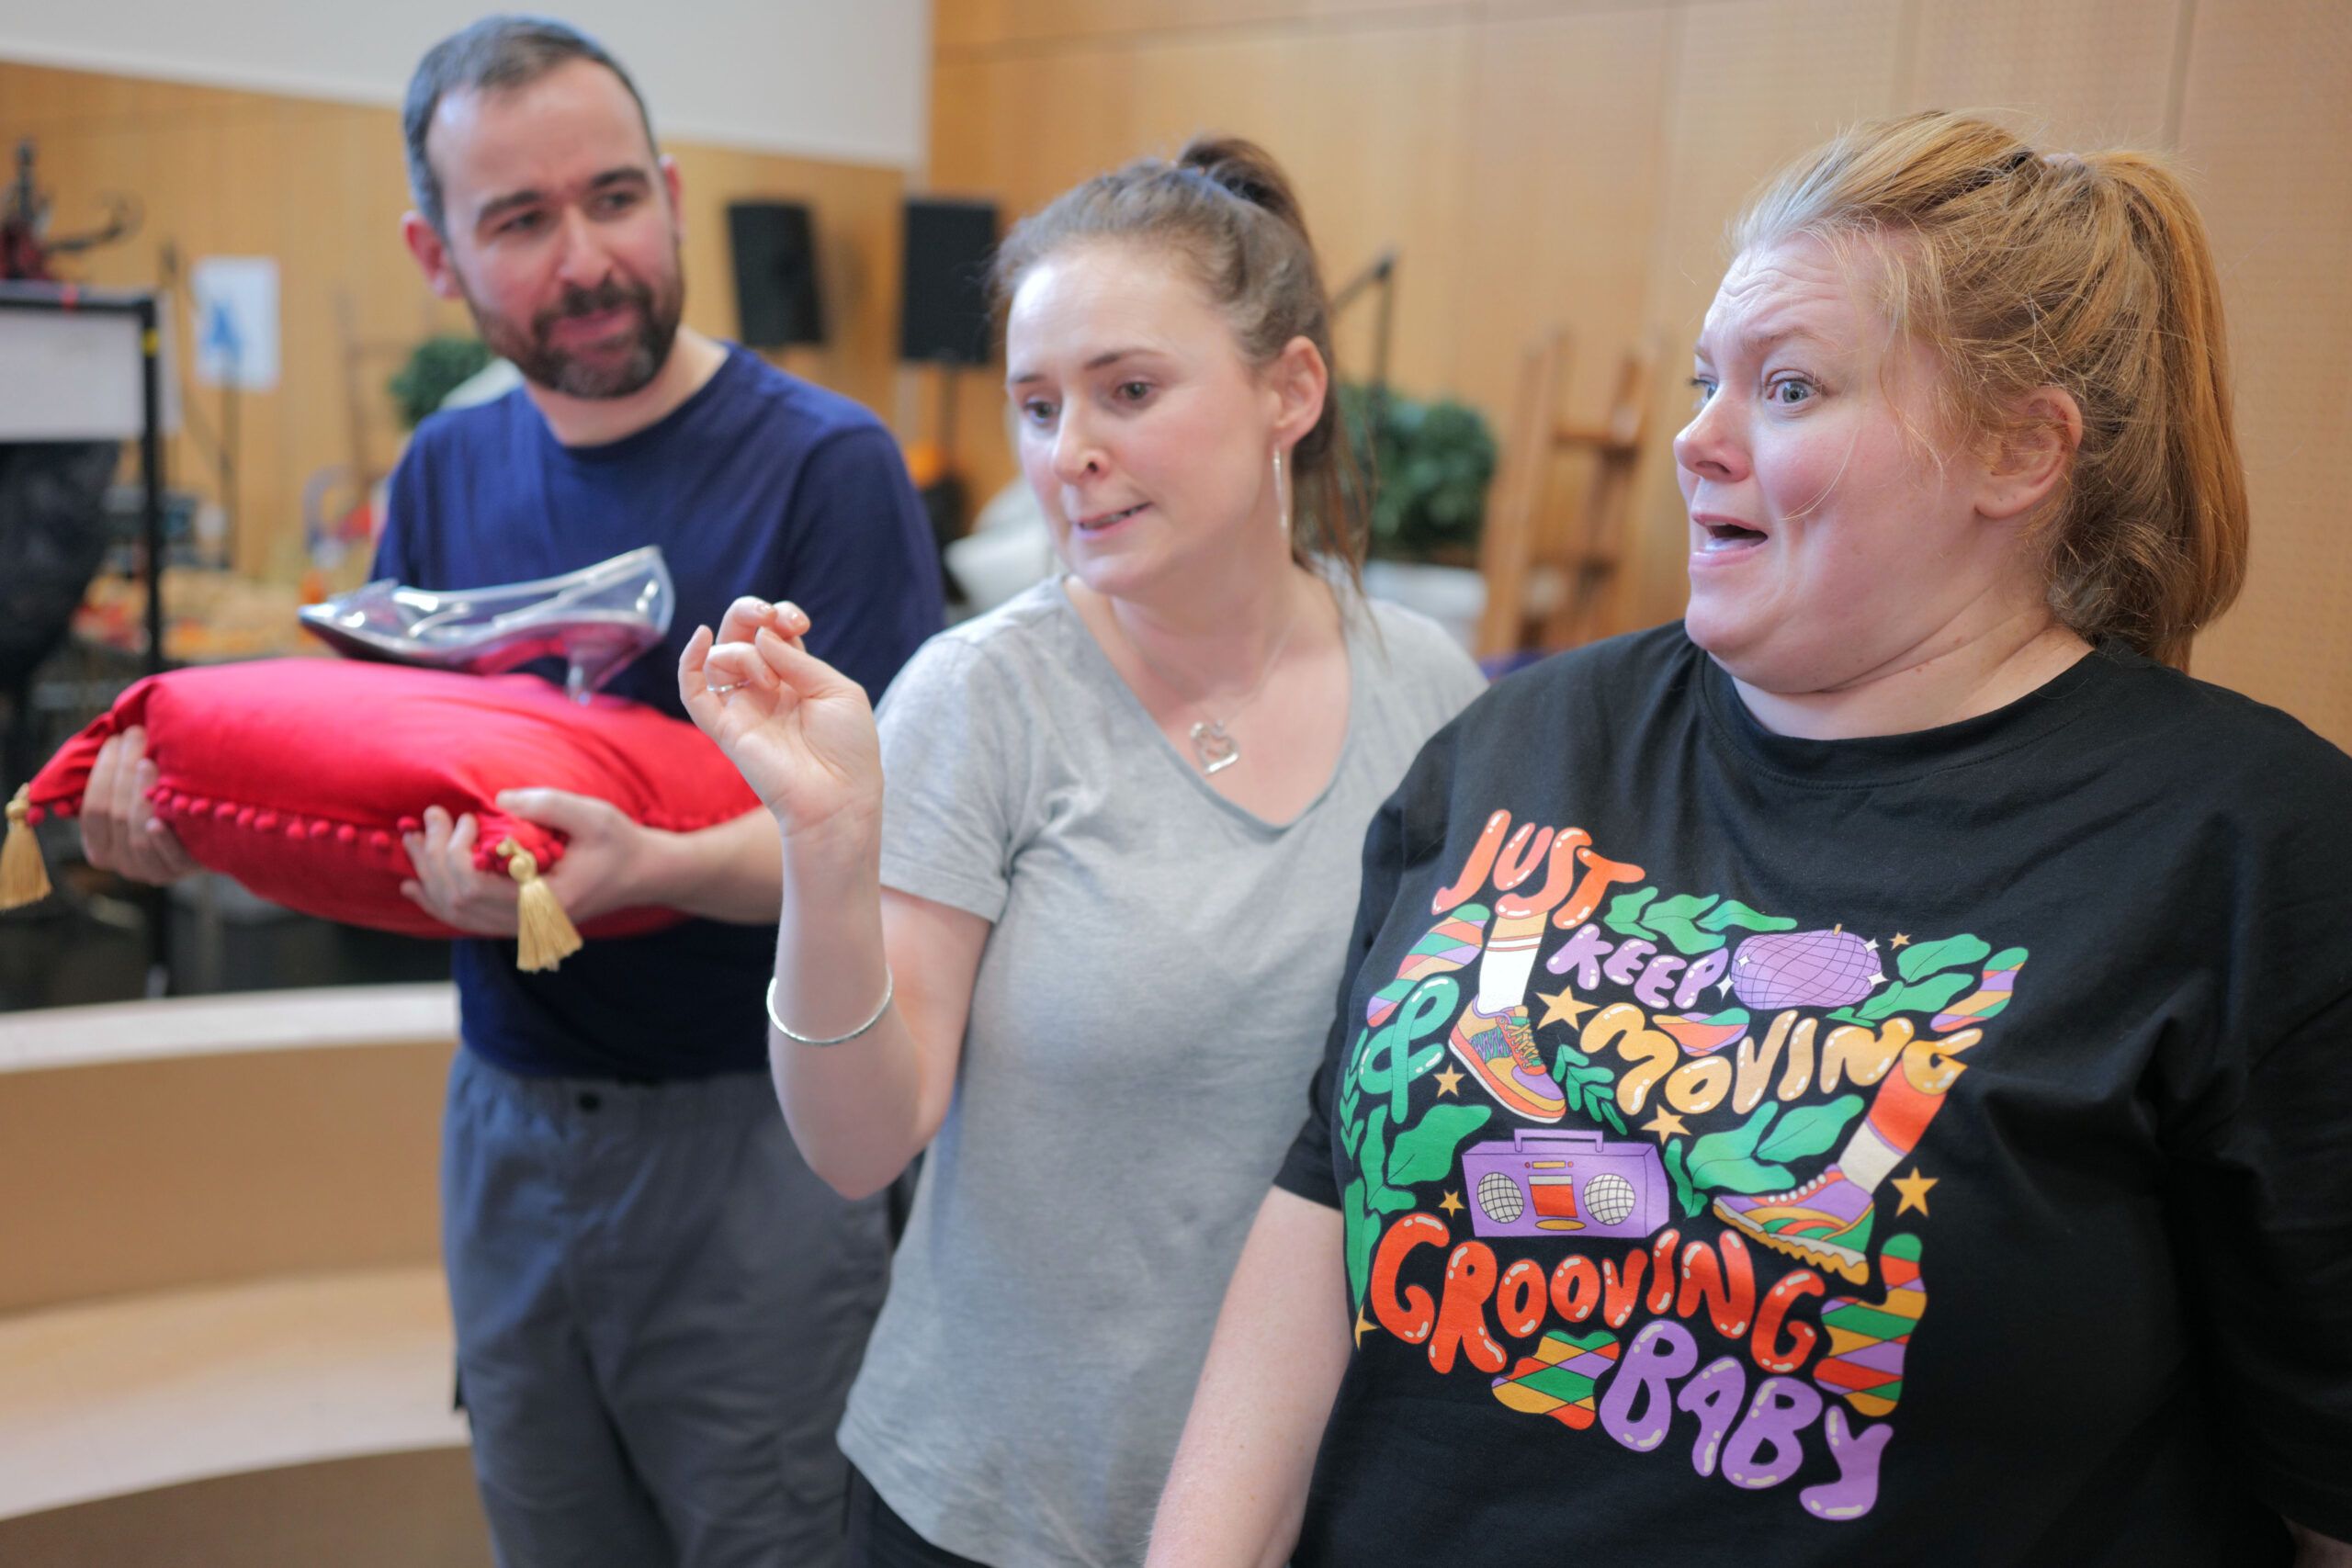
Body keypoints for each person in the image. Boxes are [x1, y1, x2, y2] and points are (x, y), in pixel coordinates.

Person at [1149, 112, 2352, 1566]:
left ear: (2022, 451)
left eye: (1788, 388)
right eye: (1710, 379)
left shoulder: (2250, 848)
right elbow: (1326, 1199)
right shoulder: (1523, 743)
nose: (1698, 439)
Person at [81, 17, 943, 1568]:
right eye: (522, 221)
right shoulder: (444, 473)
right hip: (507, 1123)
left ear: (673, 192)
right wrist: (178, 829)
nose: (588, 257)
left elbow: (893, 848)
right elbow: (385, 784)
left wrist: (652, 867)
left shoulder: (828, 466)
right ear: (438, 252)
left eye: (615, 198)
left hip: (757, 1137)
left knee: (774, 1540)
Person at [681, 138, 1487, 1567]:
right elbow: (860, 1143)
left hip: (1303, 1501)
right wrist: (826, 850)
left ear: (1289, 390)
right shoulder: (983, 696)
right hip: (993, 1509)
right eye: (1039, 407)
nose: (1071, 454)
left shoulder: (1433, 693)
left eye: (1129, 390)